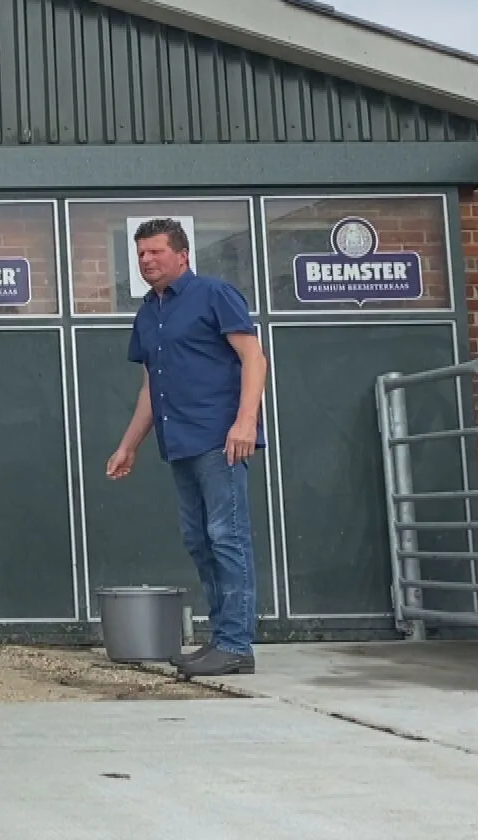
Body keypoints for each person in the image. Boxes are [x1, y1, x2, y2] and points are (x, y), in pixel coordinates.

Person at [106, 218, 267, 676]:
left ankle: (236, 645)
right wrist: (128, 446)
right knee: (199, 541)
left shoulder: (214, 294)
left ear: (182, 255)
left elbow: (254, 358)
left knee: (226, 538)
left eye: (155, 252)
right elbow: (149, 389)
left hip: (221, 439)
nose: (146, 261)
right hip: (178, 442)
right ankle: (222, 639)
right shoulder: (148, 312)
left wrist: (245, 423)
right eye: (140, 254)